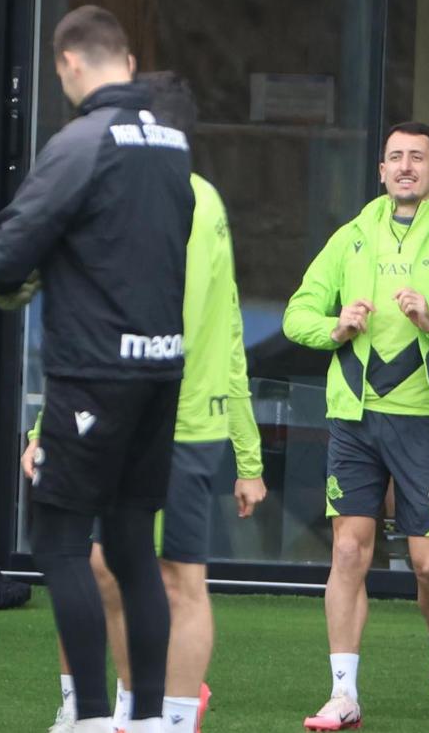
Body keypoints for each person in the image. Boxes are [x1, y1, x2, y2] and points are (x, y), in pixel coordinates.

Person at [0, 6, 195, 733]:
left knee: (60, 540)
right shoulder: (173, 145)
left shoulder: (80, 141)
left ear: (68, 63)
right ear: (126, 61)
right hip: (163, 369)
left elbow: (3, 260)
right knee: (132, 541)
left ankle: (94, 718)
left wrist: (28, 278)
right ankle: (150, 716)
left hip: (94, 372)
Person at [27, 71, 268, 733]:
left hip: (169, 419)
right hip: (143, 410)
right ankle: (95, 707)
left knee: (167, 577)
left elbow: (143, 327)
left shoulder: (173, 200)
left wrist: (246, 454)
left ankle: (160, 717)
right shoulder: (188, 196)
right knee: (103, 565)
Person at [283, 122, 429, 731]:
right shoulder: (351, 238)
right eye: (395, 157)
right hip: (354, 418)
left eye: (418, 158)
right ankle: (344, 693)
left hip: (424, 421)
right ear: (381, 171)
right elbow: (298, 312)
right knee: (349, 550)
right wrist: (335, 328)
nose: (406, 166)